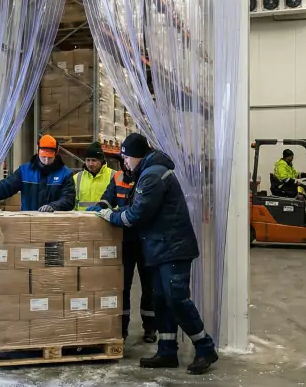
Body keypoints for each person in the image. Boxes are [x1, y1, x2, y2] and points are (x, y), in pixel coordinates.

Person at [94, 133, 218, 374]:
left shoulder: (152, 176)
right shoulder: (148, 173)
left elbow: (135, 215)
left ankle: (205, 347)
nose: (125, 162)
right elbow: (134, 206)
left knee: (177, 299)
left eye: (126, 157)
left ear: (136, 156)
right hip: (162, 248)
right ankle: (167, 350)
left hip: (172, 249)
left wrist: (110, 216)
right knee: (161, 299)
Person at [88, 166, 157, 343]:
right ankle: (122, 327)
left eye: (128, 159)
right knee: (122, 285)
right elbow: (107, 199)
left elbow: (140, 210)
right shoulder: (118, 177)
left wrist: (114, 214)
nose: (126, 164)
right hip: (125, 240)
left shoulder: (146, 178)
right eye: (124, 160)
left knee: (149, 286)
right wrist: (99, 207)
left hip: (145, 240)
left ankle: (150, 328)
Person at [0, 134, 75, 212]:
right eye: (43, 156)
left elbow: (68, 200)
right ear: (37, 150)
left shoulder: (65, 174)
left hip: (54, 226)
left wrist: (53, 206)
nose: (46, 160)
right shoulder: (25, 171)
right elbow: (6, 186)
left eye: (50, 157)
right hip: (29, 224)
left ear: (56, 152)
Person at [273, 149, 306, 213]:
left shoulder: (288, 164)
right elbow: (284, 178)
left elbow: (295, 174)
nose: (292, 158)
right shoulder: (281, 165)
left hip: (289, 184)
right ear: (287, 157)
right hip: (283, 186)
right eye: (291, 157)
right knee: (305, 188)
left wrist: (305, 175)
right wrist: (296, 182)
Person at [73, 142, 114, 211]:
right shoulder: (77, 177)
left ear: (101, 160)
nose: (90, 164)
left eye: (94, 160)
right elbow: (73, 202)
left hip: (106, 219)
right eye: (87, 160)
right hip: (83, 219)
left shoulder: (113, 176)